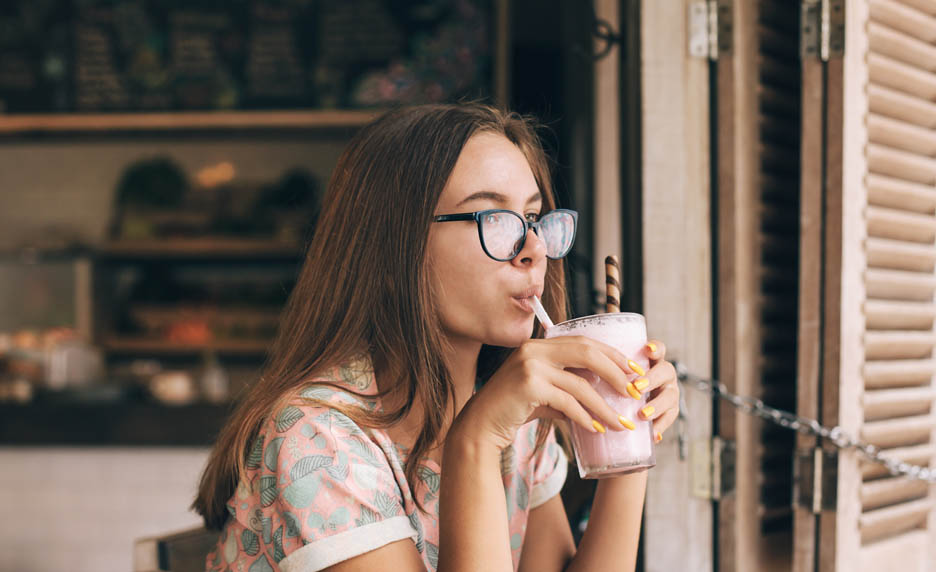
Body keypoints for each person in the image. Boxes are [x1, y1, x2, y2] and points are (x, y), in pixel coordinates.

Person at [193, 103, 680, 572]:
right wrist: (475, 438)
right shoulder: (315, 441)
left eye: (534, 219)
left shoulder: (516, 418)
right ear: (393, 249)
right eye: (494, 218)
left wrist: (628, 442)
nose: (534, 248)